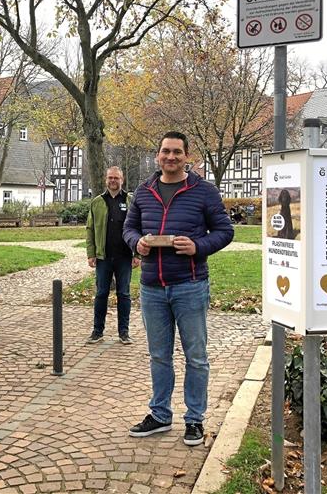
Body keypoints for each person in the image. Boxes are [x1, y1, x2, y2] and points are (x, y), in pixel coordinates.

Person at [123, 131, 233, 447]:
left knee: (196, 356)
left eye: (177, 152)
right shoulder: (144, 192)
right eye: (165, 152)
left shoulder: (204, 191)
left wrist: (197, 246)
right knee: (159, 356)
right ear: (158, 156)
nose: (171, 157)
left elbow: (225, 231)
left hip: (190, 285)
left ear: (187, 156)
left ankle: (195, 419)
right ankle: (160, 415)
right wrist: (136, 243)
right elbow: (129, 228)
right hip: (152, 288)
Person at [85, 166, 140, 345]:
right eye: (110, 178)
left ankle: (124, 332)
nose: (113, 181)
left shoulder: (131, 201)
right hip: (103, 256)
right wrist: (91, 253)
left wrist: (137, 253)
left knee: (124, 294)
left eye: (116, 178)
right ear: (105, 180)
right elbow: (90, 229)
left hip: (125, 256)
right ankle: (97, 330)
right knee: (101, 294)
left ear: (122, 180)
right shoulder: (97, 202)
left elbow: (139, 227)